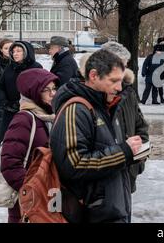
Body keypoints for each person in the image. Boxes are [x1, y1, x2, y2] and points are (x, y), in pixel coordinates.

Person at [50, 49, 143, 223]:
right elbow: (74, 164)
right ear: (93, 75)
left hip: (112, 208)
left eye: (121, 81)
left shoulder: (106, 105)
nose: (119, 87)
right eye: (113, 81)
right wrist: (124, 152)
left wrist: (134, 155)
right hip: (92, 213)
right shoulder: (77, 109)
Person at [0, 68, 59, 223]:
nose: (53, 94)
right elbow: (9, 163)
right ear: (33, 92)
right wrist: (31, 189)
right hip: (29, 203)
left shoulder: (49, 117)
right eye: (47, 90)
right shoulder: (24, 119)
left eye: (54, 88)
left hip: (49, 195)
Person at [100, 42, 150, 197]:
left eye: (125, 65)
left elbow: (140, 126)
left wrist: (139, 160)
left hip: (129, 172)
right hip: (103, 178)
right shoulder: (94, 93)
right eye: (120, 65)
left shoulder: (128, 92)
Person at [0, 41, 42, 151]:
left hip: (29, 112)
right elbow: (0, 87)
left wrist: (25, 103)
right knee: (5, 141)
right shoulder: (9, 67)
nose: (15, 54)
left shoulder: (36, 67)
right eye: (13, 51)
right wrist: (5, 102)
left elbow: (40, 89)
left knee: (25, 142)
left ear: (26, 52)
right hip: (9, 112)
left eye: (18, 51)